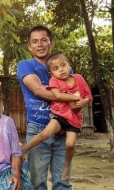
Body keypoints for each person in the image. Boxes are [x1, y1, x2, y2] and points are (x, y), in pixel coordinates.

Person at [16, 25, 90, 190]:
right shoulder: (25, 65)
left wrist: (83, 101)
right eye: (35, 41)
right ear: (29, 46)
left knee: (62, 180)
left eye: (44, 40)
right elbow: (39, 90)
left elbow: (81, 100)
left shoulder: (64, 67)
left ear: (52, 43)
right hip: (39, 128)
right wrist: (72, 97)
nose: (40, 44)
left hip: (65, 129)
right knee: (37, 181)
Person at [22, 53, 93, 182]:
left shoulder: (79, 78)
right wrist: (76, 98)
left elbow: (88, 95)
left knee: (70, 144)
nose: (61, 69)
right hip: (60, 115)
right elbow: (58, 96)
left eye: (63, 65)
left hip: (74, 119)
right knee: (46, 133)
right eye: (55, 68)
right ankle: (23, 150)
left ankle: (66, 166)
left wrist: (85, 101)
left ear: (69, 66)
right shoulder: (54, 81)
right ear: (51, 73)